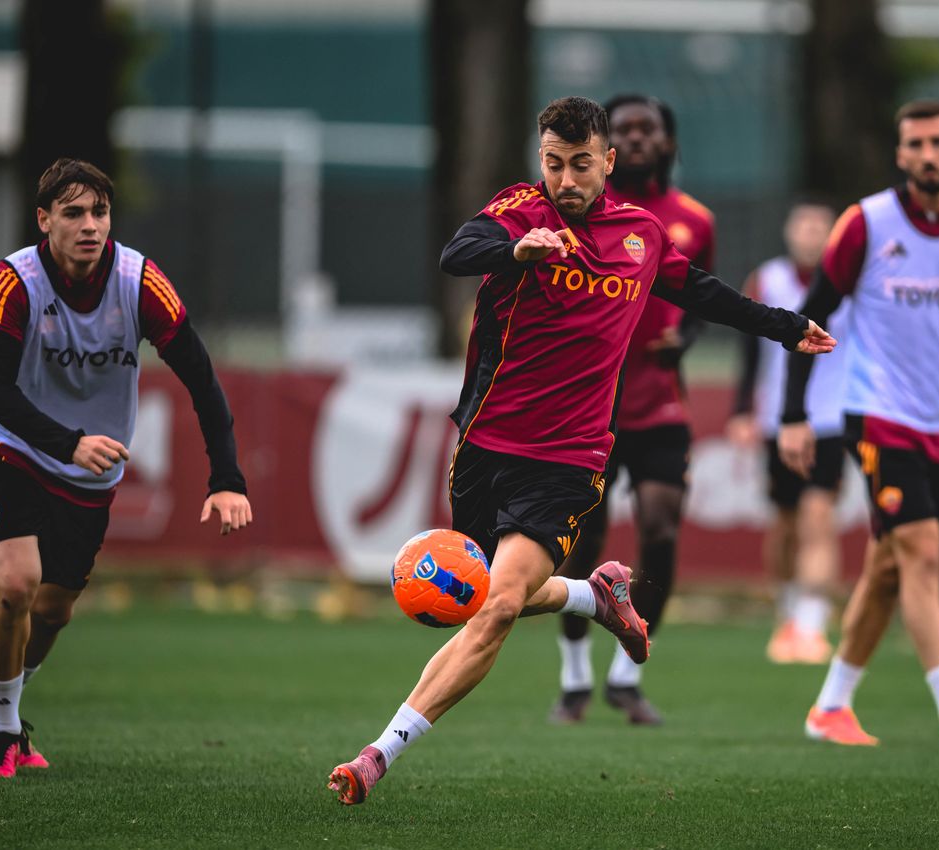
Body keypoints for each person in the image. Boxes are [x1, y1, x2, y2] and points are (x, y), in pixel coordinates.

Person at [328, 96, 835, 804]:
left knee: (498, 603)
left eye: (581, 165)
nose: (566, 180)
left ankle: (379, 753)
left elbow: (707, 295)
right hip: (485, 443)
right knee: (480, 599)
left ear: (609, 163)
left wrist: (787, 326)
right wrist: (516, 250)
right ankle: (591, 595)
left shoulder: (642, 234)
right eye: (554, 163)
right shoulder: (520, 211)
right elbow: (455, 254)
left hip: (570, 455)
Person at [0, 159, 252, 777]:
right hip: (10, 445)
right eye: (73, 213)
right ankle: (5, 731)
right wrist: (69, 442)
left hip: (89, 468)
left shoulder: (139, 281)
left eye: (99, 212)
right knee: (16, 584)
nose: (90, 226)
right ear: (44, 221)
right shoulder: (12, 283)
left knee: (53, 610)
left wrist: (226, 478)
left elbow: (201, 378)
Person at [778, 99, 939, 750]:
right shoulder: (866, 223)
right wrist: (794, 414)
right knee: (921, 550)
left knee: (889, 568)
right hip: (877, 416)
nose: (926, 154)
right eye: (914, 143)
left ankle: (830, 706)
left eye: (938, 142)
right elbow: (812, 314)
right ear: (899, 154)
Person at [548, 94, 715, 727]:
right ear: (607, 148)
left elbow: (703, 294)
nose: (640, 138)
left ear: (668, 143)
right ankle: (573, 677)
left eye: (651, 129)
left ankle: (626, 674)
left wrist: (690, 337)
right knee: (581, 539)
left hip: (660, 404)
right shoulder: (583, 211)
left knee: (661, 529)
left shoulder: (695, 220)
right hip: (589, 406)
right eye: (627, 129)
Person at [727, 201, 847, 665]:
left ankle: (812, 626)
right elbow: (749, 350)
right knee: (785, 525)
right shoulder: (767, 279)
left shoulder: (848, 283)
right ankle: (788, 609)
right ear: (789, 231)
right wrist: (742, 409)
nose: (811, 234)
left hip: (830, 420)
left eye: (821, 227)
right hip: (778, 419)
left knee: (819, 517)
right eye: (804, 226)